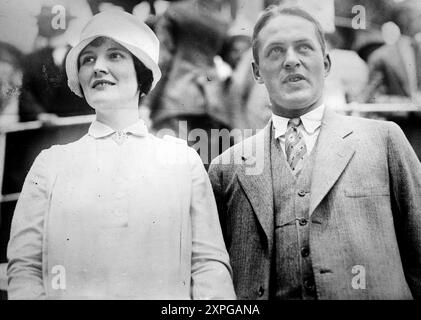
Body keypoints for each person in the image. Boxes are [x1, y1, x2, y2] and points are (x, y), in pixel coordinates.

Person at [7, 10, 235, 300]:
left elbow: (208, 265)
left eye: (114, 55)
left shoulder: (182, 161)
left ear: (142, 74)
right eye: (88, 59)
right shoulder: (50, 164)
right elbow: (25, 268)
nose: (98, 67)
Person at [208, 5, 421, 300]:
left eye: (304, 48)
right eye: (275, 51)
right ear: (257, 72)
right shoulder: (227, 168)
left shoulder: (383, 141)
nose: (291, 61)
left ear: (327, 63)